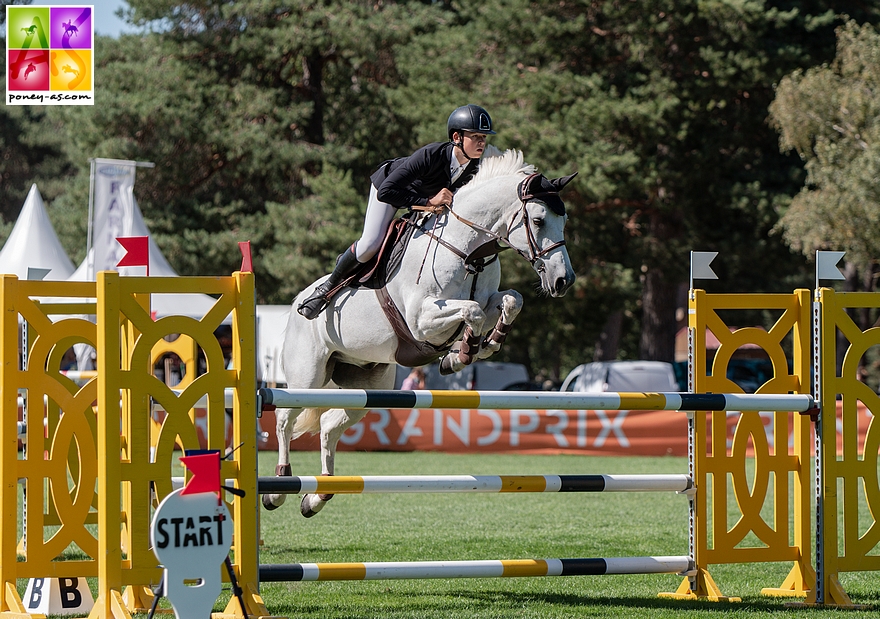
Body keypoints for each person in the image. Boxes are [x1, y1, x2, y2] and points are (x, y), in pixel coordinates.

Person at [297, 103, 496, 319]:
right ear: (457, 137)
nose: (481, 142)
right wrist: (428, 201)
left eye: (484, 138)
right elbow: (386, 192)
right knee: (370, 244)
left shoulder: (474, 168)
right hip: (390, 189)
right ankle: (326, 288)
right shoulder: (431, 155)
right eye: (475, 136)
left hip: (421, 201)